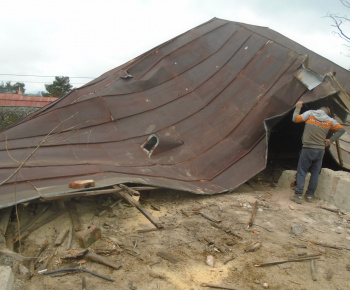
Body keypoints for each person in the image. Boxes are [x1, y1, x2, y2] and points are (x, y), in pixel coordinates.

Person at [290, 101, 346, 204]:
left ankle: (298, 196)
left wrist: (298, 107)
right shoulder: (330, 121)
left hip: (307, 148)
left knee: (302, 171)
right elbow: (341, 130)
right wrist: (330, 140)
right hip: (320, 150)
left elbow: (295, 119)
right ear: (327, 113)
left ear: (318, 109)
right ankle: (310, 196)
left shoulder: (310, 114)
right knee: (315, 173)